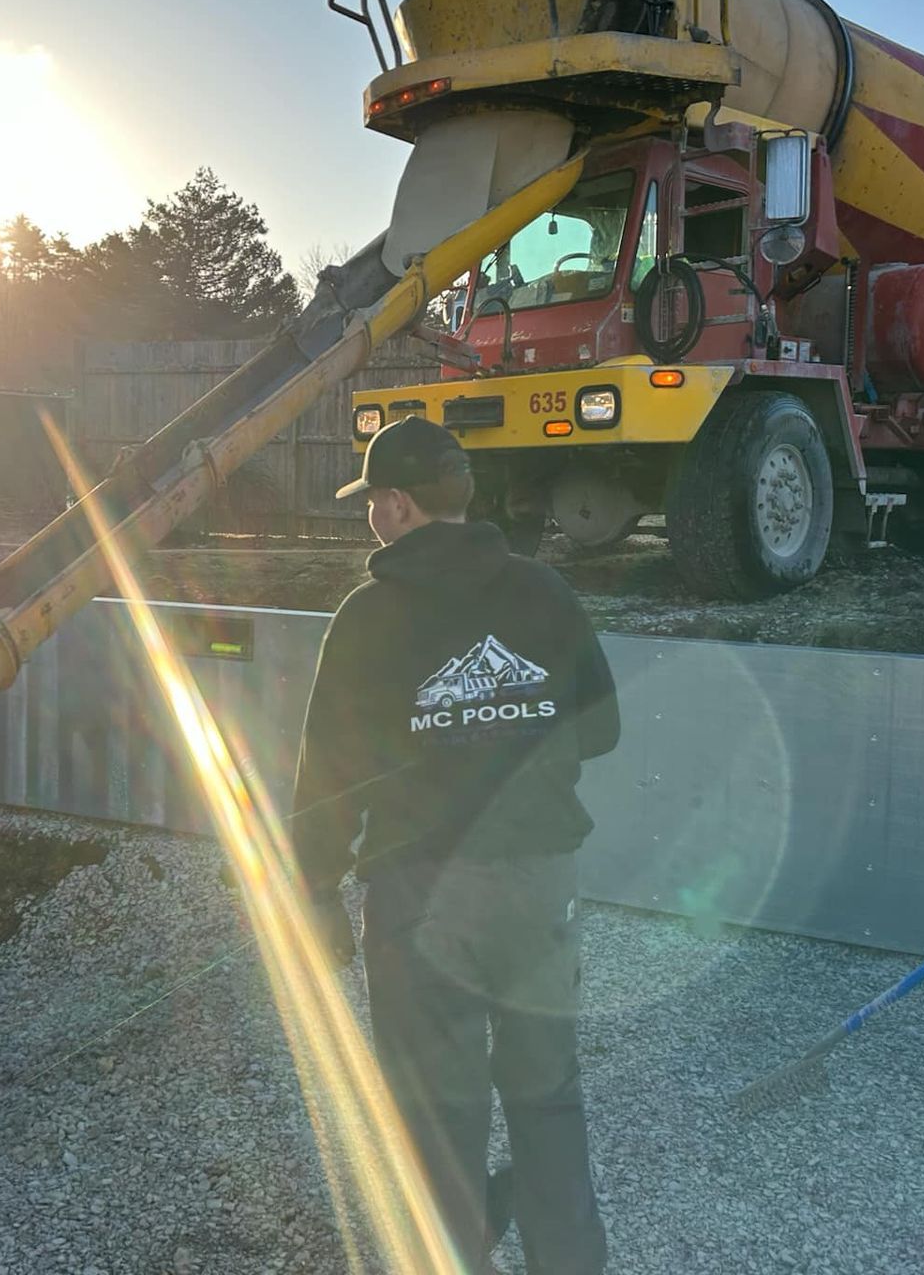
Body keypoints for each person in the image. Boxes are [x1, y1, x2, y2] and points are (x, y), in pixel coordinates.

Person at [291, 416, 620, 1274]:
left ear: (399, 505)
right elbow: (602, 729)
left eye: (372, 501)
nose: (370, 516)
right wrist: (513, 739)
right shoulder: (545, 592)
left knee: (439, 1107)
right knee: (548, 1093)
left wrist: (315, 889)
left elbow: (329, 777)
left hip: (423, 897)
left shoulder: (369, 616)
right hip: (541, 882)